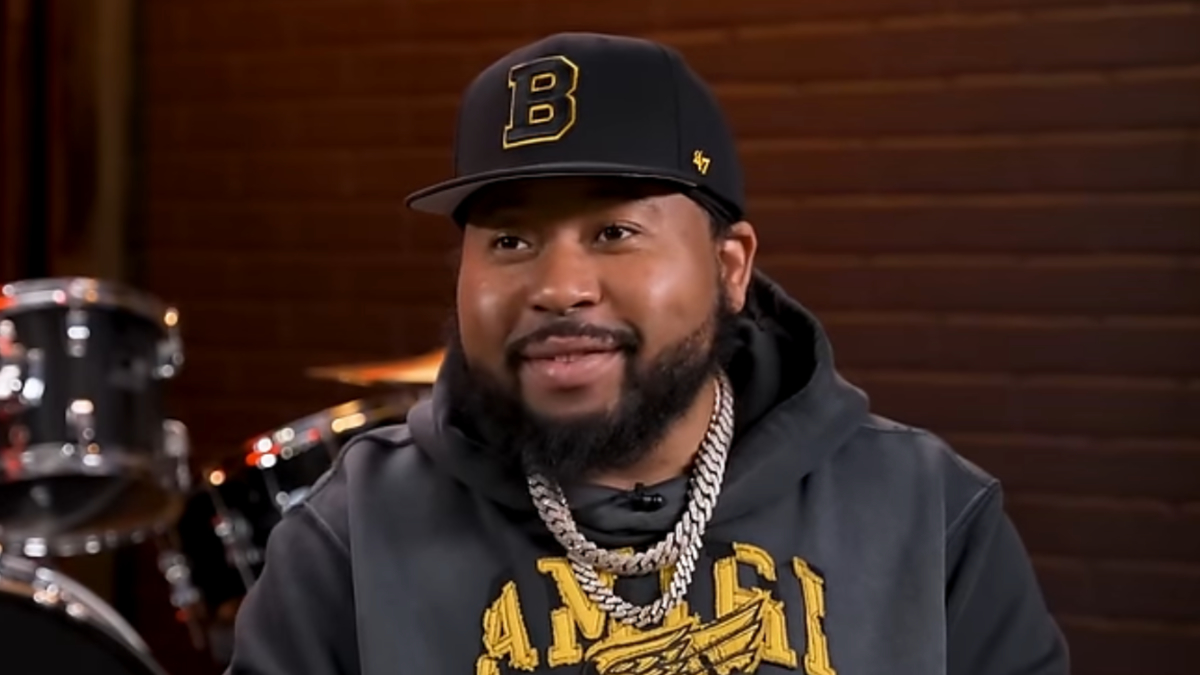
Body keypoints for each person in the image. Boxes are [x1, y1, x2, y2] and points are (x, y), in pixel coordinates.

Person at [226, 32, 1069, 675]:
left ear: (729, 267)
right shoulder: (350, 535)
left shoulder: (928, 514)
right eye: (511, 238)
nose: (558, 286)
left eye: (614, 230)